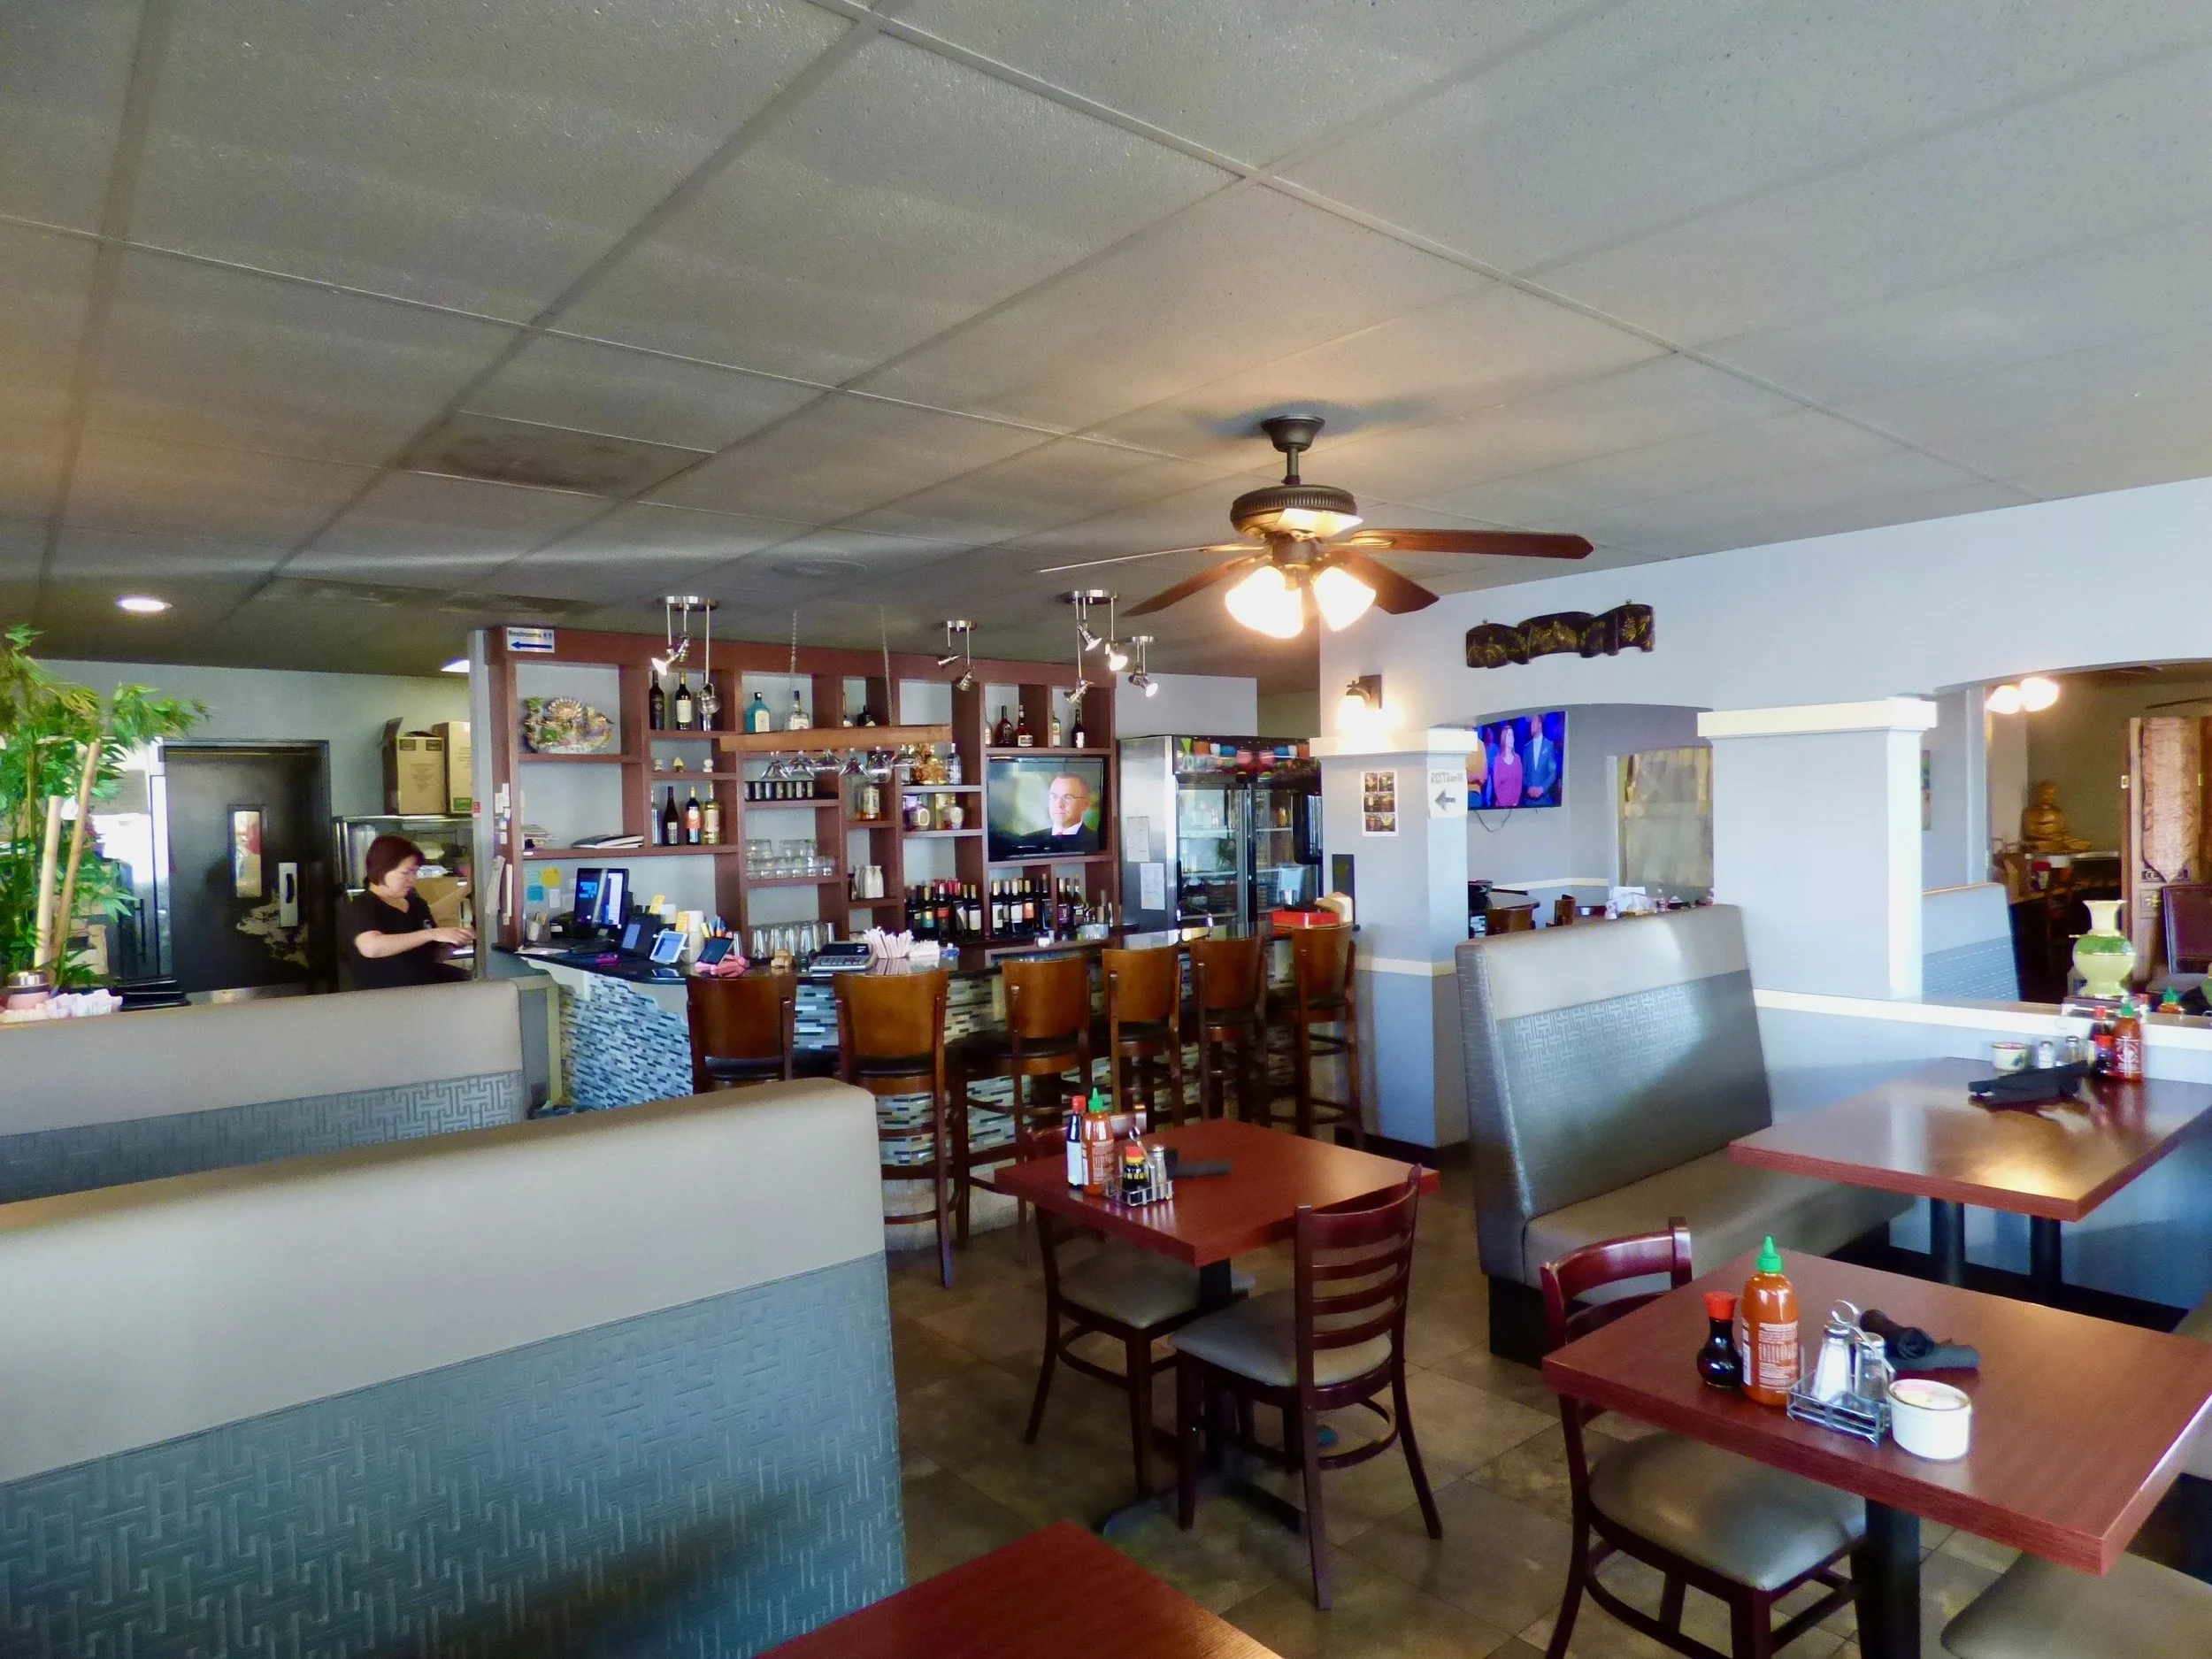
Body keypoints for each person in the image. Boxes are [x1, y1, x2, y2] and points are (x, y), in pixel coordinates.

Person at [345, 833, 472, 990]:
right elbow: (371, 947)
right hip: (386, 998)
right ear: (382, 869)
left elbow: (433, 956)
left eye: (414, 872)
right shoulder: (363, 906)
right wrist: (431, 934)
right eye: (405, 873)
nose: (412, 879)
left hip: (425, 993)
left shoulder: (416, 904)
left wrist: (454, 943)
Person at [1009, 772, 1100, 854]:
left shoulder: (1098, 841)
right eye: (1054, 797)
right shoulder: (1027, 842)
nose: (1059, 804)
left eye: (1067, 797)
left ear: (1086, 804)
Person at [1521, 717, 1561, 806]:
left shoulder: (1549, 745)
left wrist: (1542, 789)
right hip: (1528, 803)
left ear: (1540, 724)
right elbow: (1523, 774)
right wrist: (1528, 788)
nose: (1531, 725)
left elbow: (1553, 774)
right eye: (1531, 723)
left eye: (1533, 723)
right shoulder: (1527, 748)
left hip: (1544, 801)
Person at [1491, 724, 1525, 809]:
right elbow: (1496, 786)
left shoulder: (1517, 759)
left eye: (1512, 736)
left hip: (1515, 806)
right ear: (1504, 738)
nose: (1512, 739)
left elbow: (1519, 784)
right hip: (1500, 807)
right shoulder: (1498, 761)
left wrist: (1515, 803)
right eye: (1509, 736)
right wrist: (1504, 805)